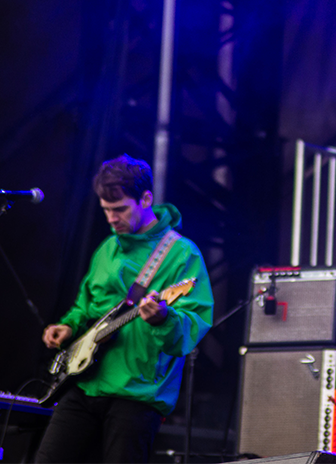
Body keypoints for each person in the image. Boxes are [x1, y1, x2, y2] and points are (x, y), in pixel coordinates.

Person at [35, 155, 213, 463]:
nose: (111, 218)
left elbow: (195, 321)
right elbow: (86, 305)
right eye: (106, 210)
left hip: (136, 394)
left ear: (146, 199)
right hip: (84, 383)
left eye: (120, 209)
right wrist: (69, 327)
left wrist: (164, 317)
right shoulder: (108, 247)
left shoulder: (182, 253)